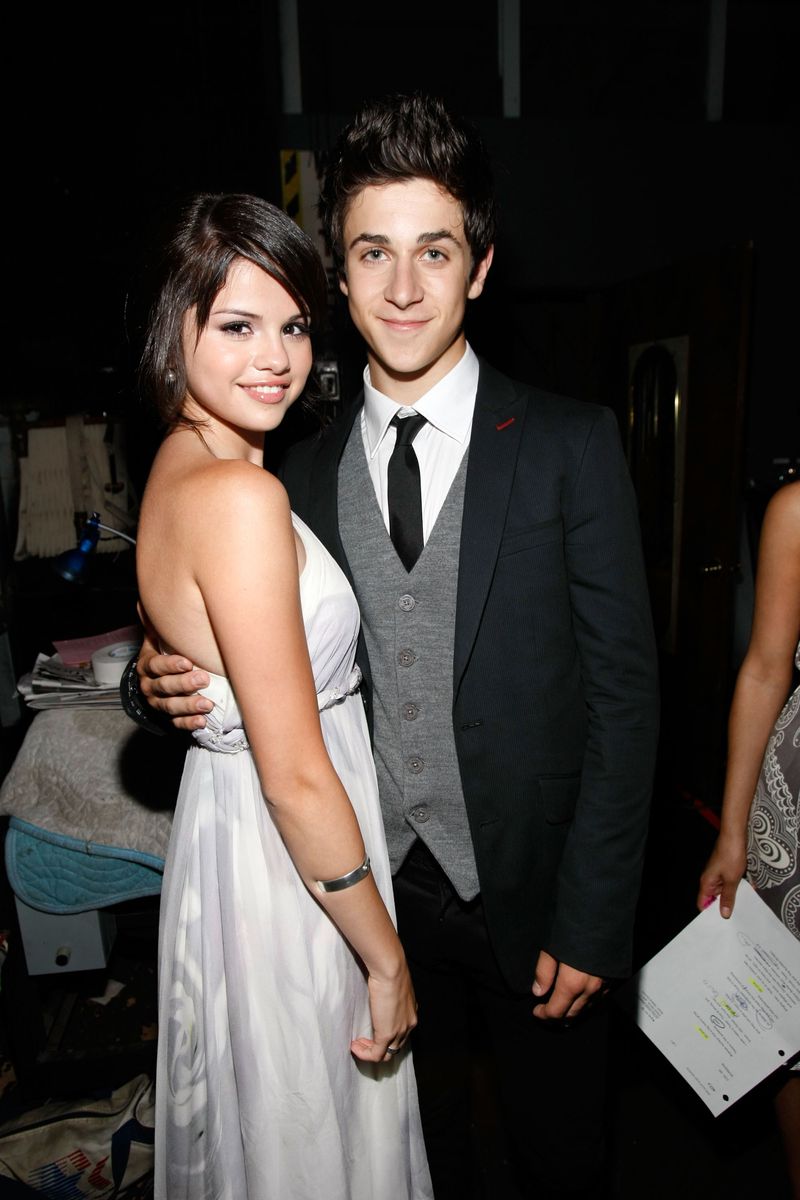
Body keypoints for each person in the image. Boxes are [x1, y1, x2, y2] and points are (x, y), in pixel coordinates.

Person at [131, 98, 660, 1199]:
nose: (405, 287)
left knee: (562, 1163)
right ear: (337, 268)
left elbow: (625, 695)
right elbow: (243, 640)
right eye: (373, 252)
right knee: (410, 1165)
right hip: (366, 902)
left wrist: (595, 916)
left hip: (536, 905)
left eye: (435, 251)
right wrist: (155, 681)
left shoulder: (569, 444)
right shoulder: (293, 474)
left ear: (479, 268)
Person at [134, 192, 432, 1200]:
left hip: (241, 850)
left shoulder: (184, 468)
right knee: (315, 1144)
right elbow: (298, 775)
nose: (275, 357)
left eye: (294, 325)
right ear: (176, 330)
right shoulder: (240, 495)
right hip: (293, 873)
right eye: (236, 325)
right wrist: (385, 958)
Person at [698, 480, 800, 1196]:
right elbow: (766, 667)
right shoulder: (796, 511)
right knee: (793, 1028)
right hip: (798, 809)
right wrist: (733, 832)